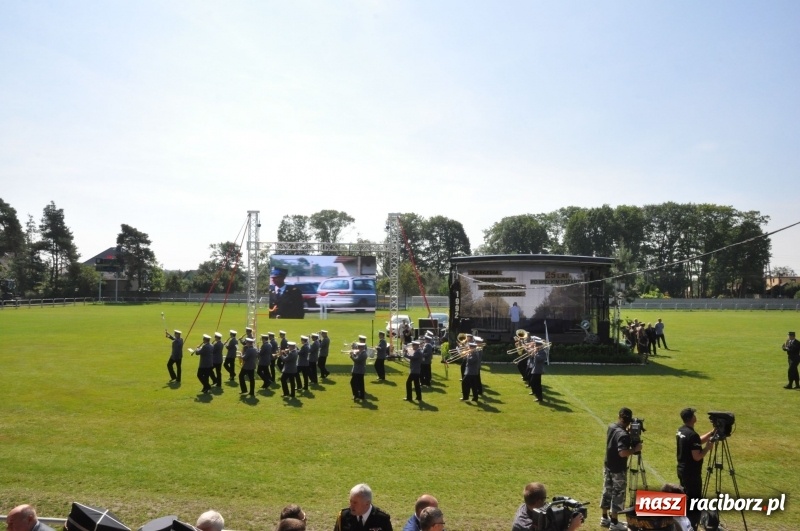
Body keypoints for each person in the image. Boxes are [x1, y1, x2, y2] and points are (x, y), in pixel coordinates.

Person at [600, 407, 642, 531]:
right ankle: (614, 522)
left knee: (607, 491)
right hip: (618, 469)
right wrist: (635, 449)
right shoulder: (624, 435)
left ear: (619, 416)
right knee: (618, 494)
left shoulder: (612, 426)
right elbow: (622, 453)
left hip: (608, 465)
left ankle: (604, 518)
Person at [676, 407, 714, 530]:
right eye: (693, 415)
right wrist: (708, 447)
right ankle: (691, 526)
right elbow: (697, 456)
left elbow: (696, 442)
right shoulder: (692, 435)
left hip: (682, 470)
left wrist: (711, 433)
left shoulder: (681, 431)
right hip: (692, 474)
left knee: (685, 498)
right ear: (691, 418)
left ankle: (684, 524)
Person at [512, 482, 583, 531]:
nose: (545, 502)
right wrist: (572, 527)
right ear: (539, 501)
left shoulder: (525, 507)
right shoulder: (526, 526)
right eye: (544, 498)